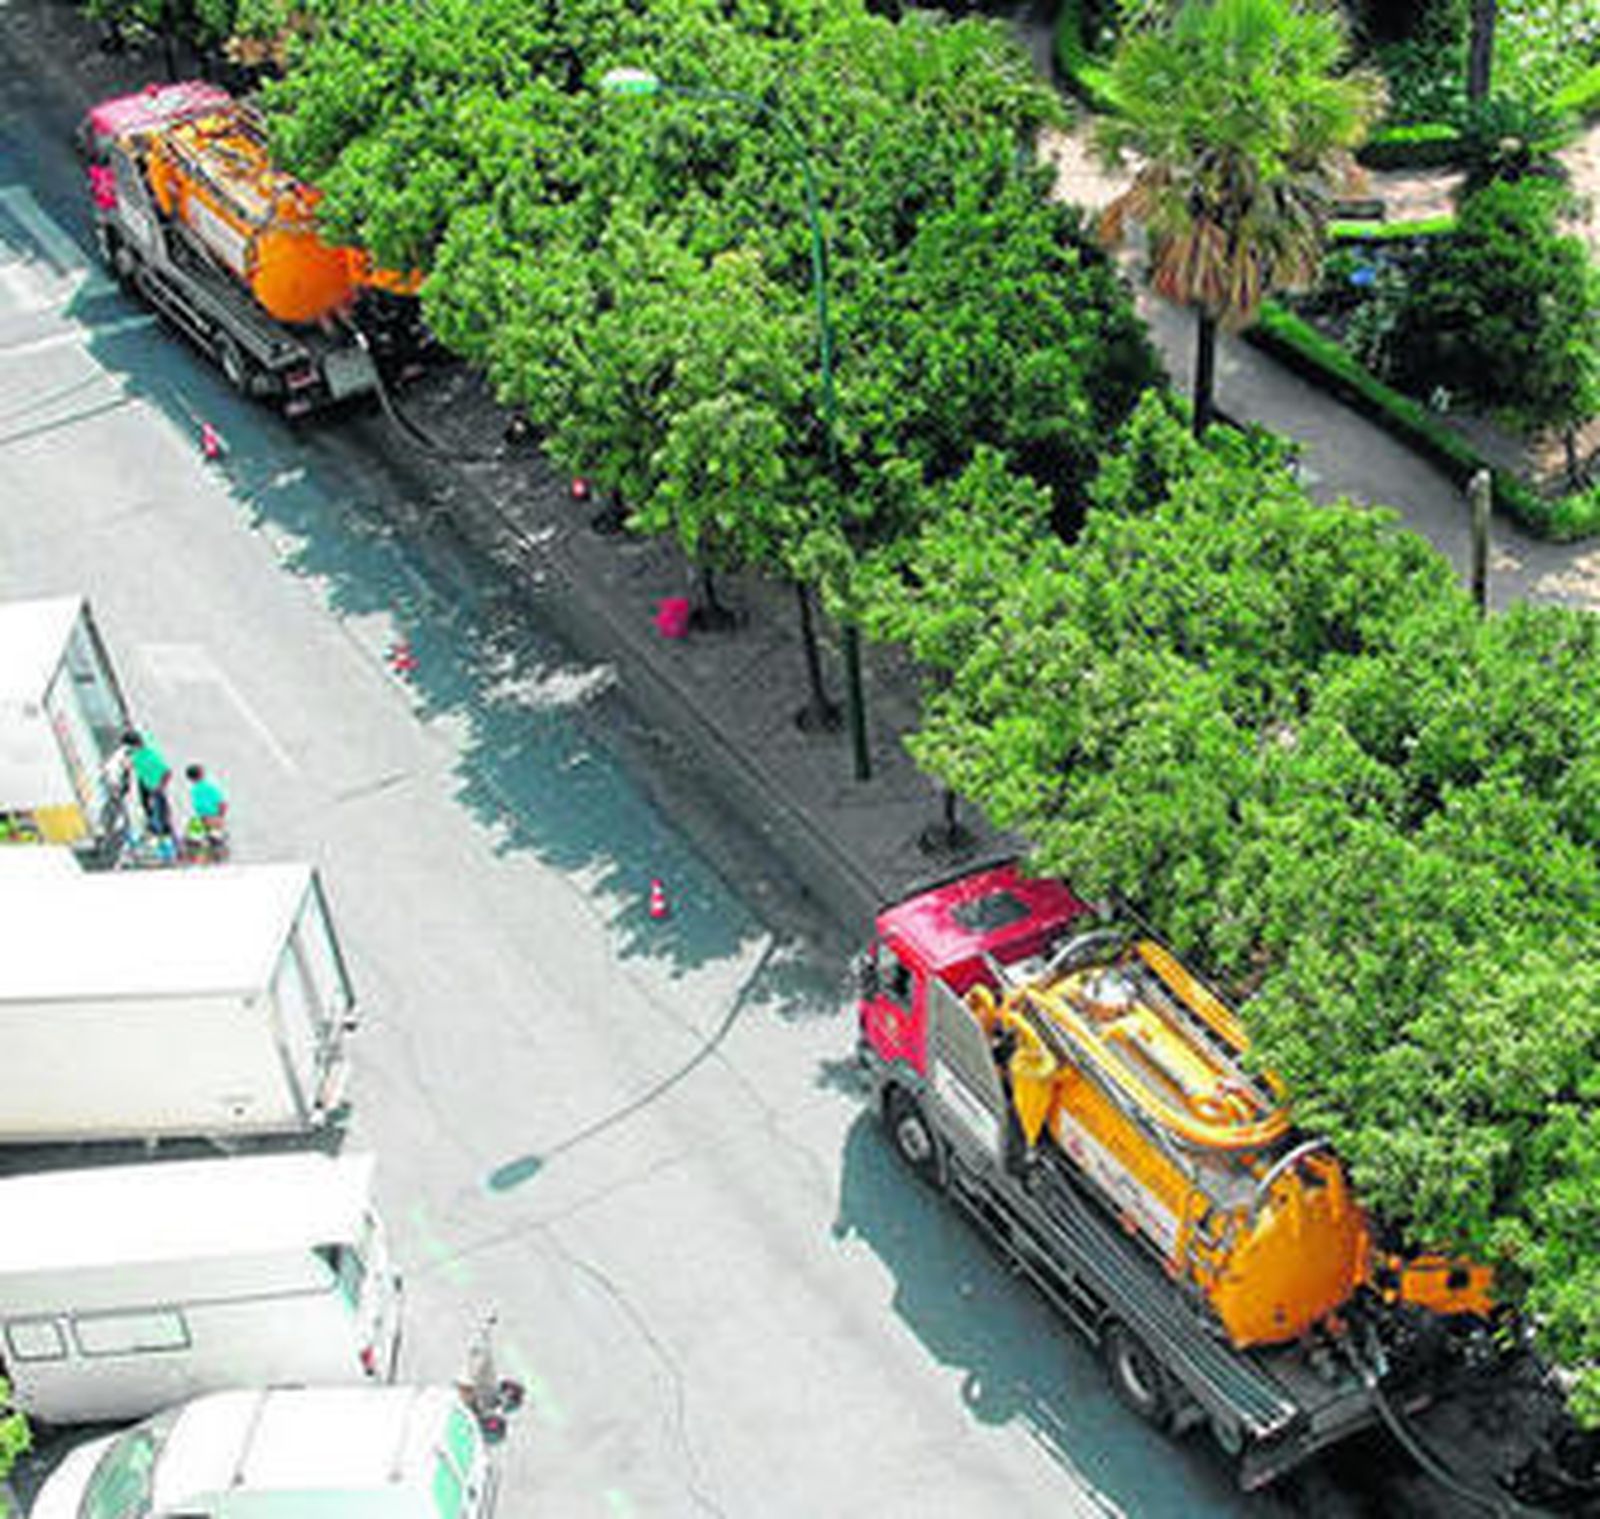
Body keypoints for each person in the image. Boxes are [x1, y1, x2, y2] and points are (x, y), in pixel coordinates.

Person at [122, 730, 173, 839]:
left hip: (155, 787)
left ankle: (165, 832)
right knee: (147, 807)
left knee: (161, 812)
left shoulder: (151, 755)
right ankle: (155, 828)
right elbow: (133, 763)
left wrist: (161, 786)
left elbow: (167, 772)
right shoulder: (136, 753)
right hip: (145, 783)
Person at [184, 763, 228, 861]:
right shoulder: (210, 787)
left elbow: (197, 807)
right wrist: (220, 817)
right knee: (217, 842)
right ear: (201, 774)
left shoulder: (194, 790)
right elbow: (222, 805)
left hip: (200, 819)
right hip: (213, 818)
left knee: (191, 842)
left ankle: (194, 857)